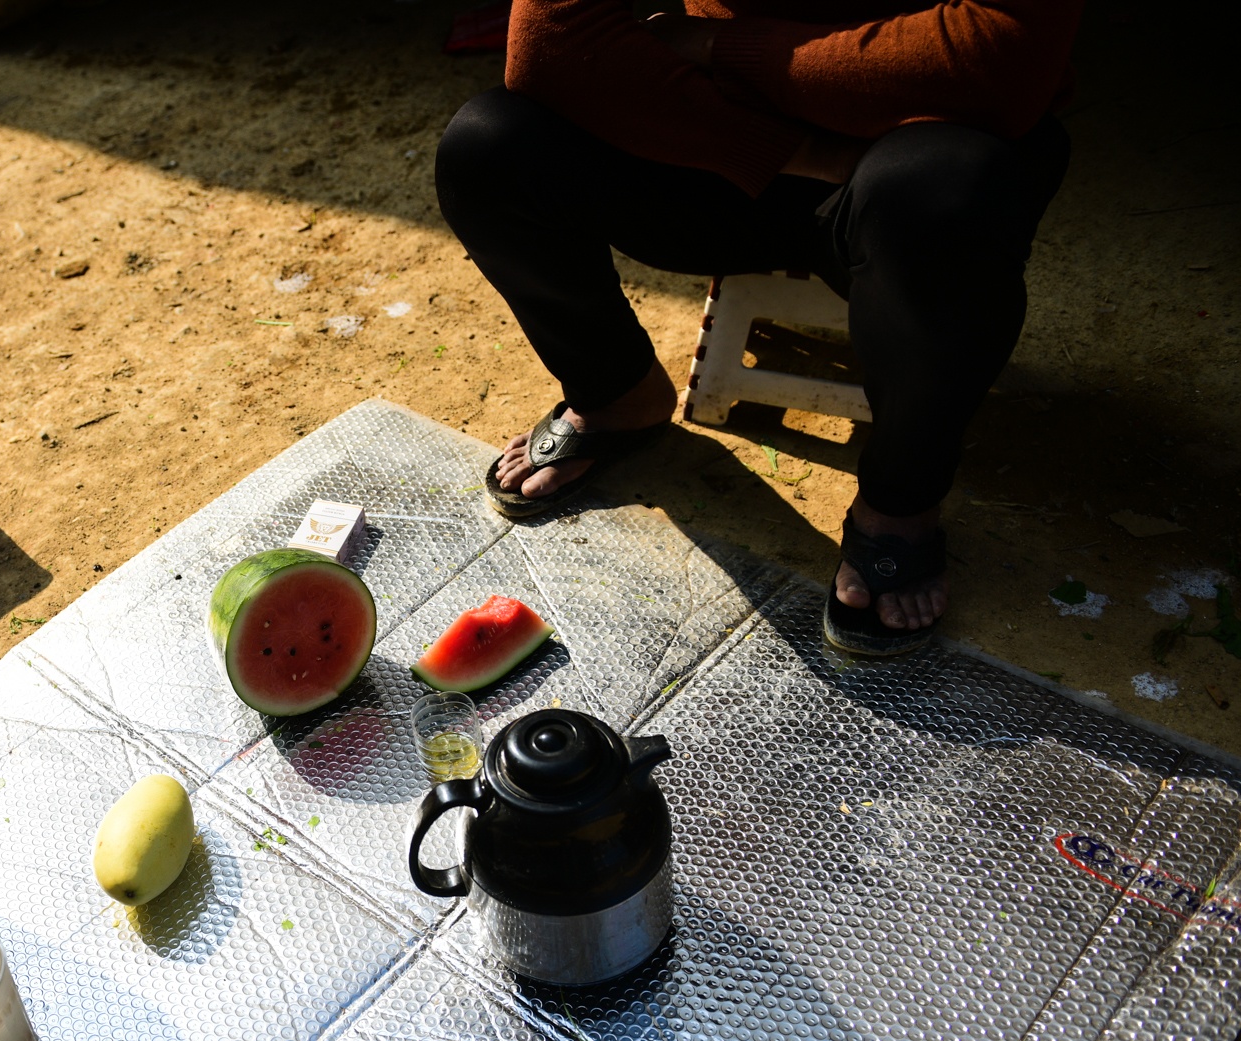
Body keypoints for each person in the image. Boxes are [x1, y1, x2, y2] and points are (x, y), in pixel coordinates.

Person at [435, 0, 1076, 655]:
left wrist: (719, 44)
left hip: (921, 145)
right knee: (489, 145)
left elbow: (998, 61)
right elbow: (549, 38)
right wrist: (795, 151)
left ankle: (900, 502)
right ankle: (616, 393)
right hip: (726, 141)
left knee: (943, 199)